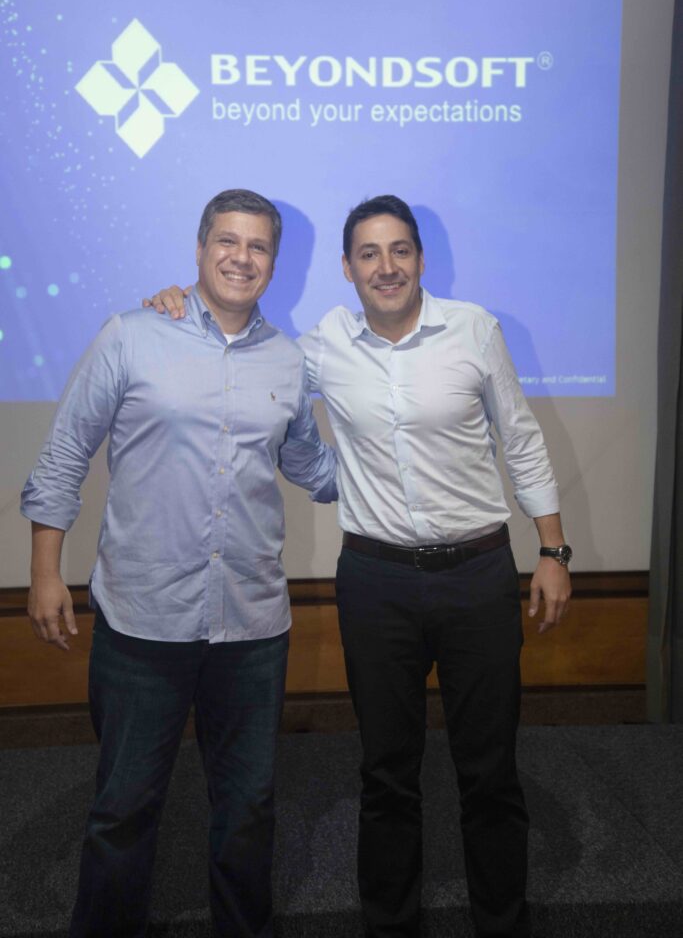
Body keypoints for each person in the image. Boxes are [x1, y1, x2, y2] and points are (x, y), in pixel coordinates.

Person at [147, 194, 572, 938]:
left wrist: (552, 549)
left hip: (476, 577)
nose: (386, 266)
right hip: (376, 584)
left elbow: (522, 440)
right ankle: (390, 925)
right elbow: (246, 362)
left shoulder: (474, 329)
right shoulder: (318, 348)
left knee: (489, 772)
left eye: (399, 250)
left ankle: (502, 923)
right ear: (346, 268)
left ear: (420, 260)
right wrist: (181, 305)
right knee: (386, 773)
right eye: (368, 254)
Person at [21, 188, 337, 938]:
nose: (241, 258)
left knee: (248, 808)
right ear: (199, 249)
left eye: (258, 247)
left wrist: (410, 453)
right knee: (123, 809)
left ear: (274, 264)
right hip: (143, 621)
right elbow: (64, 455)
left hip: (251, 627)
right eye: (227, 241)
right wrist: (44, 572)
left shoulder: (288, 361)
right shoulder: (131, 336)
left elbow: (311, 467)